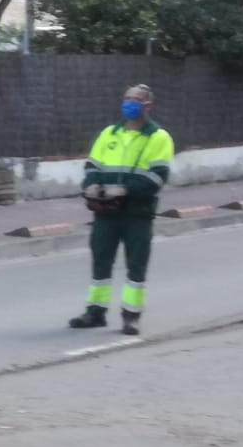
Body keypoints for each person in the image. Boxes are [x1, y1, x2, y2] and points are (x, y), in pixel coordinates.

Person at [69, 84, 174, 336]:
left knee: (135, 265)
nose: (129, 104)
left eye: (135, 100)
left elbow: (157, 177)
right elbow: (92, 165)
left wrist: (125, 190)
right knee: (100, 261)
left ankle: (131, 317)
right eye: (126, 98)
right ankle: (95, 312)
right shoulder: (109, 133)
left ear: (147, 106)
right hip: (105, 211)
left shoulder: (158, 137)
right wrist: (91, 184)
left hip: (137, 213)